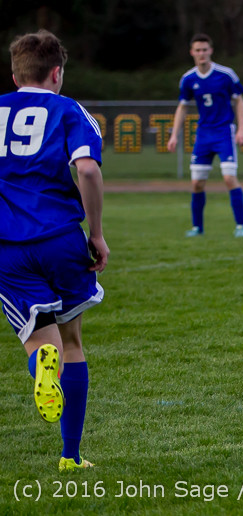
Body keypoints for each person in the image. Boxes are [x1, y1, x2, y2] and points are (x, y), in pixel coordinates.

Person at [0, 30, 108, 471]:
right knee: (72, 343)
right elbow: (87, 170)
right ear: (57, 73)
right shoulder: (70, 110)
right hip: (61, 238)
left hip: (7, 246)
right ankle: (70, 455)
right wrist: (96, 233)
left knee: (40, 344)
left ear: (14, 75)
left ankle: (40, 364)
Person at [167, 33, 243, 238]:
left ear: (211, 50)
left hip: (224, 132)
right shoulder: (188, 79)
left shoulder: (226, 74)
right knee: (197, 183)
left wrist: (242, 128)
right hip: (203, 135)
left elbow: (239, 100)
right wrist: (174, 135)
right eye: (198, 50)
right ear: (192, 52)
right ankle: (197, 228)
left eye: (205, 49)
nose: (201, 53)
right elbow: (182, 107)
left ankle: (241, 226)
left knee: (229, 178)